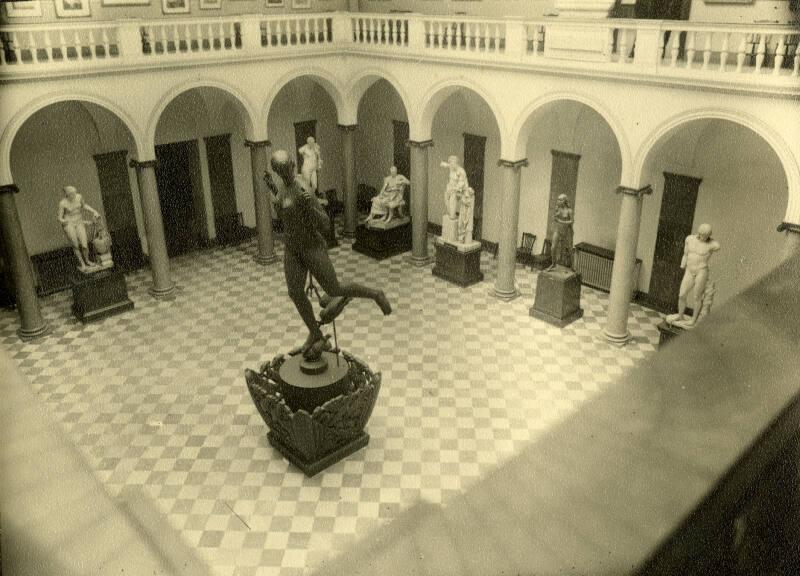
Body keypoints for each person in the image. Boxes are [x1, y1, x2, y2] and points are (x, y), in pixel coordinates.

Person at [269, 150, 392, 361]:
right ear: (278, 172)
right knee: (295, 293)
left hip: (312, 247)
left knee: (334, 288)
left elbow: (325, 223)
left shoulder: (302, 187)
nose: (289, 171)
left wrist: (309, 206)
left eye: (290, 166)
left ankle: (375, 294)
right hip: (293, 249)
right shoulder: (282, 188)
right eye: (284, 169)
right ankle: (315, 334)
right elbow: (285, 218)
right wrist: (277, 198)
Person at [675, 223, 720, 326]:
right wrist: (682, 266)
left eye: (705, 235)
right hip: (689, 270)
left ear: (709, 235)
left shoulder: (711, 244)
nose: (701, 237)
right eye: (700, 234)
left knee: (697, 296)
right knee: (682, 294)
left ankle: (693, 320)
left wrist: (710, 239)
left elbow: (718, 246)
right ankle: (680, 315)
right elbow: (686, 254)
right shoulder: (689, 239)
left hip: (701, 271)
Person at [58, 185, 100, 271]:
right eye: (71, 194)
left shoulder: (79, 197)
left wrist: (94, 211)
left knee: (84, 244)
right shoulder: (62, 203)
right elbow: (59, 217)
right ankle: (82, 263)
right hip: (69, 223)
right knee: (75, 244)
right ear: (67, 195)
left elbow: (84, 206)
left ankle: (87, 260)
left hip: (79, 221)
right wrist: (63, 221)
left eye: (74, 193)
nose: (74, 195)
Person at [546, 194, 574, 271]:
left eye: (560, 200)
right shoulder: (558, 209)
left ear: (564, 201)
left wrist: (560, 221)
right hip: (558, 230)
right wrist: (555, 215)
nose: (558, 201)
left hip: (567, 231)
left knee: (570, 249)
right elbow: (555, 218)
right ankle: (553, 263)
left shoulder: (569, 210)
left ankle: (572, 266)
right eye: (558, 199)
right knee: (553, 247)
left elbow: (572, 221)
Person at [440, 156, 469, 221]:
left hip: (460, 190)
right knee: (446, 196)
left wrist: (454, 188)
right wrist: (443, 164)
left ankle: (452, 214)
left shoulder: (461, 171)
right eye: (450, 163)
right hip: (451, 188)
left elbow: (462, 184)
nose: (451, 165)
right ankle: (451, 213)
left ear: (456, 163)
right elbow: (447, 165)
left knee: (453, 196)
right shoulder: (451, 167)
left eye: (452, 163)